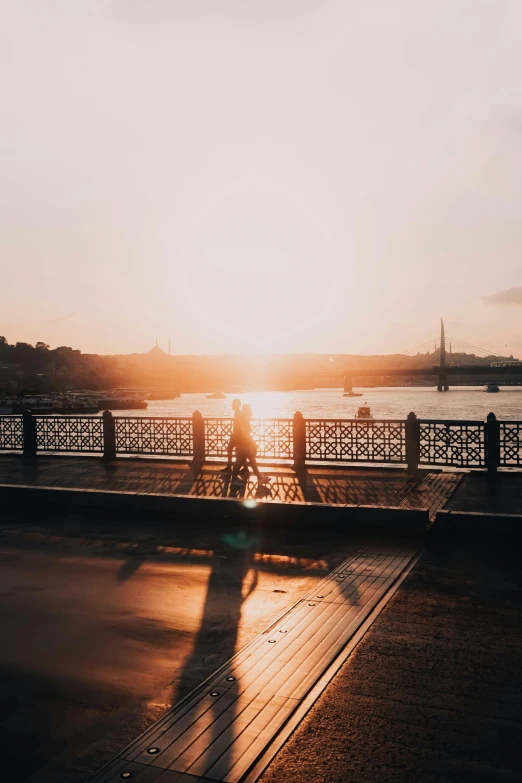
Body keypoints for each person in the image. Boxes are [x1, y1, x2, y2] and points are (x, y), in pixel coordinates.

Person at [231, 404, 270, 484]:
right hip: (241, 444)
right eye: (249, 411)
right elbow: (245, 434)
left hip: (245, 443)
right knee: (238, 461)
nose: (251, 413)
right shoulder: (243, 420)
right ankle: (234, 479)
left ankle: (259, 478)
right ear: (246, 411)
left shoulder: (244, 419)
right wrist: (253, 443)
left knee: (252, 460)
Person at [221, 399, 242, 473]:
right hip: (238, 435)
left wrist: (234, 434)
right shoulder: (238, 412)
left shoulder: (238, 413)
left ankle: (229, 467)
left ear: (237, 405)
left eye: (233, 404)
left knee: (230, 450)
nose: (232, 405)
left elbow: (238, 426)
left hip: (236, 436)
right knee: (240, 452)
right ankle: (245, 468)